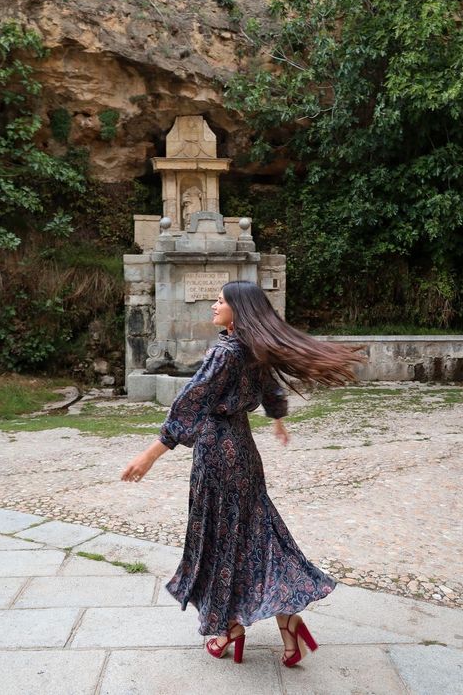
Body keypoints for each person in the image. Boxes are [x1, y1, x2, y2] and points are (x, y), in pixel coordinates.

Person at [121, 280, 366, 666]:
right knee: (255, 531)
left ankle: (229, 626)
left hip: (218, 450)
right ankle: (286, 618)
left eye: (220, 301)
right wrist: (278, 420)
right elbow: (268, 387)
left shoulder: (227, 351)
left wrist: (152, 453)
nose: (213, 306)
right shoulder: (253, 347)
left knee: (222, 535)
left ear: (239, 308)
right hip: (244, 451)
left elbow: (193, 400)